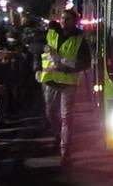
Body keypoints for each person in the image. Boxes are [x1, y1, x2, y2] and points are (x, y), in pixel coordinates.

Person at [40, 9, 91, 166]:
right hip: (50, 80)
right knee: (50, 113)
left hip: (68, 82)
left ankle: (65, 153)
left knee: (66, 118)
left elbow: (86, 63)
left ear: (74, 21)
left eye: (67, 19)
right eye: (62, 18)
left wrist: (66, 67)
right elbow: (40, 49)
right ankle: (58, 136)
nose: (63, 21)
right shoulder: (52, 33)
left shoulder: (80, 40)